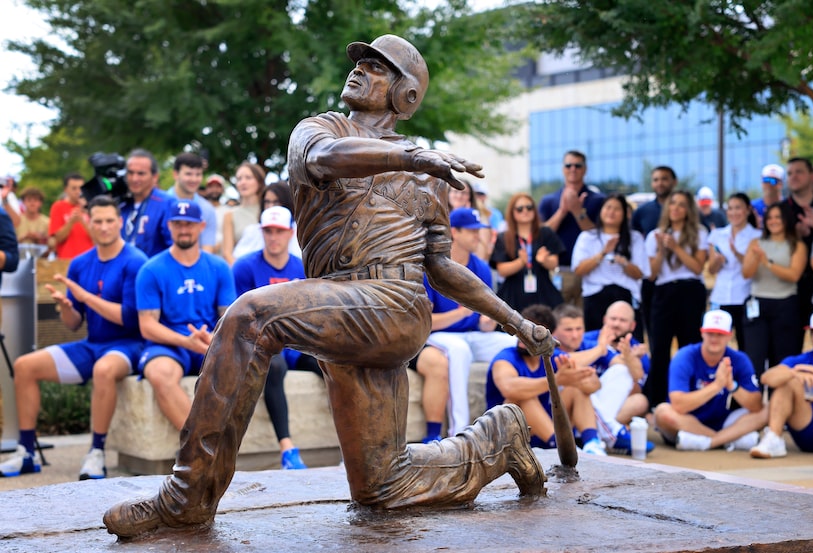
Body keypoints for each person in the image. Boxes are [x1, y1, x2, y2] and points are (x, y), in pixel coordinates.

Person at [104, 34, 555, 538]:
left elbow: (442, 266)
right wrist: (410, 158)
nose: (359, 68)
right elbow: (327, 159)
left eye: (377, 66)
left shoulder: (429, 174)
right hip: (341, 303)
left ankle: (187, 497)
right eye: (360, 61)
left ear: (405, 94)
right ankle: (496, 440)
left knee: (251, 316)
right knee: (383, 486)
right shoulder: (321, 130)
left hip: (395, 306)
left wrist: (515, 320)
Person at [0, 196, 146, 479]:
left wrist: (85, 297)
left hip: (129, 345)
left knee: (103, 369)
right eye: (98, 221)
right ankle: (26, 452)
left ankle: (96, 453)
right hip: (93, 344)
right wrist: (67, 308)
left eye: (109, 221)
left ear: (120, 223)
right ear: (89, 223)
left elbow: (130, 319)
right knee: (24, 366)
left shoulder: (136, 261)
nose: (104, 227)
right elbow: (73, 324)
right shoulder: (80, 263)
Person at [135, 199, 236, 431]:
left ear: (201, 226)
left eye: (189, 224)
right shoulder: (151, 269)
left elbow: (229, 318)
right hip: (169, 344)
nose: (183, 230)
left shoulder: (219, 267)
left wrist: (214, 339)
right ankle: (200, 445)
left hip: (208, 341)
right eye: (178, 224)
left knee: (241, 368)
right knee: (159, 374)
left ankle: (223, 441)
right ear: (169, 226)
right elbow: (147, 325)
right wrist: (185, 341)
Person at [420, 207, 518, 436]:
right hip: (440, 336)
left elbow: (485, 321)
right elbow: (425, 322)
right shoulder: (430, 267)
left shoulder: (480, 267)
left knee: (513, 344)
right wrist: (462, 313)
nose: (477, 235)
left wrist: (488, 321)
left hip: (473, 334)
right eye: (472, 231)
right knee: (460, 350)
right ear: (455, 232)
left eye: (478, 230)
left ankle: (510, 425)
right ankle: (459, 432)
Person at [232, 206, 308, 469]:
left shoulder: (302, 267)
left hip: (296, 343)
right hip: (261, 344)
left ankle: (349, 447)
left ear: (290, 233)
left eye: (279, 231)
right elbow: (239, 318)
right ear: (261, 233)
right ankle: (287, 449)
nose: (274, 237)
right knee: (274, 366)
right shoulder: (244, 268)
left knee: (336, 363)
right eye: (269, 231)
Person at [486, 303, 606, 456]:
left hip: (541, 434)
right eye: (521, 329)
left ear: (549, 336)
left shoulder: (552, 357)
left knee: (574, 388)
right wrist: (558, 380)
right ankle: (562, 448)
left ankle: (592, 445)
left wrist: (576, 380)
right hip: (503, 440)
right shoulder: (505, 358)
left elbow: (595, 384)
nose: (524, 335)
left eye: (533, 332)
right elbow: (509, 388)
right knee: (524, 397)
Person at [653, 309, 766, 451]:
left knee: (767, 411)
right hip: (686, 421)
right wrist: (717, 386)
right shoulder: (685, 356)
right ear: (702, 333)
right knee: (662, 412)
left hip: (721, 421)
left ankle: (708, 442)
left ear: (729, 335)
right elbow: (678, 404)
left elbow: (756, 406)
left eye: (720, 334)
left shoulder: (739, 359)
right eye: (710, 333)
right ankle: (728, 440)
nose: (714, 339)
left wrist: (732, 386)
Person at [643, 189, 709, 408]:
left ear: (688, 209)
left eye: (681, 204)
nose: (676, 208)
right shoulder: (655, 235)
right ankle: (657, 401)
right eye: (672, 203)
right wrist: (662, 250)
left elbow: (697, 267)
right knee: (659, 347)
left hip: (690, 290)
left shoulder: (699, 233)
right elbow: (652, 274)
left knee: (689, 344)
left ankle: (689, 396)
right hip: (664, 292)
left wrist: (676, 247)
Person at [750, 308, 813, 460]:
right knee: (786, 381)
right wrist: (795, 373)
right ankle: (774, 438)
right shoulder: (802, 360)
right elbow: (766, 378)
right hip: (807, 423)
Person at [741, 201, 807, 381]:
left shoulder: (797, 245)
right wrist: (756, 258)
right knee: (754, 357)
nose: (773, 221)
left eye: (778, 217)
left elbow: (794, 275)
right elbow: (746, 273)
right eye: (769, 217)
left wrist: (767, 263)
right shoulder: (756, 243)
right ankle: (755, 396)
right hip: (757, 303)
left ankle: (778, 397)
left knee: (781, 359)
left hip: (785, 304)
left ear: (786, 219)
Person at [581, 301, 652, 455]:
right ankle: (611, 433)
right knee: (583, 384)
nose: (616, 324)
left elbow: (635, 389)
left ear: (632, 326)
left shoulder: (637, 349)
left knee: (640, 401)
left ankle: (593, 432)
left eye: (622, 320)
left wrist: (629, 357)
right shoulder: (585, 339)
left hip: (608, 404)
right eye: (613, 319)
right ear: (604, 319)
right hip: (581, 400)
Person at [572, 193, 649, 334]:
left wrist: (624, 263)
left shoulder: (635, 238)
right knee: (596, 340)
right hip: (595, 297)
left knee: (630, 341)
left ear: (625, 213)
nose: (611, 212)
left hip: (625, 295)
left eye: (617, 209)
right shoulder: (587, 237)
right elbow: (578, 270)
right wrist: (603, 253)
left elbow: (640, 274)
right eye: (608, 207)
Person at [538, 150, 606, 306]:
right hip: (558, 271)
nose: (573, 169)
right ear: (563, 169)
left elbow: (599, 236)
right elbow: (541, 235)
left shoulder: (599, 200)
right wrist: (562, 211)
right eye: (568, 165)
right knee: (558, 317)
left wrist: (577, 212)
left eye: (578, 165)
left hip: (590, 270)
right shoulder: (548, 200)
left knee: (587, 317)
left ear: (585, 169)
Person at [490, 193, 564, 313]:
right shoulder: (504, 237)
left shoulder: (546, 233)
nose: (525, 211)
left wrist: (545, 260)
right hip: (513, 294)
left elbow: (554, 263)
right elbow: (502, 270)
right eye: (520, 209)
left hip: (543, 291)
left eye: (529, 207)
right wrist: (520, 262)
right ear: (512, 212)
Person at [707, 193, 761, 351]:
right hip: (721, 296)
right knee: (717, 344)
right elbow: (711, 270)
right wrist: (718, 260)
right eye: (730, 208)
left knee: (746, 344)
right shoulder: (717, 234)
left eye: (738, 208)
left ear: (748, 210)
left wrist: (737, 254)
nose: (733, 212)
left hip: (745, 295)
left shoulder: (756, 236)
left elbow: (755, 268)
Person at [785, 157, 813, 335]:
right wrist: (793, 235)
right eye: (789, 173)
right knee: (790, 343)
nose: (793, 177)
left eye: (799, 172)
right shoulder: (780, 211)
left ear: (812, 176)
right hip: (789, 288)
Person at [632, 166, 677, 341]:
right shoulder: (643, 211)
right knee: (654, 331)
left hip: (679, 275)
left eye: (664, 179)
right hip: (651, 276)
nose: (660, 183)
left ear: (674, 182)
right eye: (656, 179)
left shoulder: (685, 209)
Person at [120, 149, 176, 257]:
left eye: (141, 174)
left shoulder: (167, 204)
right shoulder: (121, 204)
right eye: (130, 173)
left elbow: (174, 248)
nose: (134, 178)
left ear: (155, 177)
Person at [231, 182, 302, 259]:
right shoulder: (252, 231)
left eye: (276, 202)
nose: (270, 206)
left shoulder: (299, 232)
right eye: (267, 202)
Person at [169, 152, 217, 254]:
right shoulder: (160, 203)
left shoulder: (207, 209)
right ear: (176, 174)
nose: (194, 179)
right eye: (188, 174)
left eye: (198, 174)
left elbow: (207, 250)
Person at [222, 161, 265, 265]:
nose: (243, 182)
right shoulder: (229, 215)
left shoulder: (268, 211)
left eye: (248, 178)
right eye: (239, 179)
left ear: (259, 182)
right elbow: (227, 253)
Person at [48, 172, 93, 259]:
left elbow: (97, 237)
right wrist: (71, 222)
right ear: (66, 189)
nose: (78, 192)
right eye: (74, 188)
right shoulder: (58, 206)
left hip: (89, 259)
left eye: (81, 188)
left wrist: (83, 221)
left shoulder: (91, 207)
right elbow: (58, 239)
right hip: (67, 260)